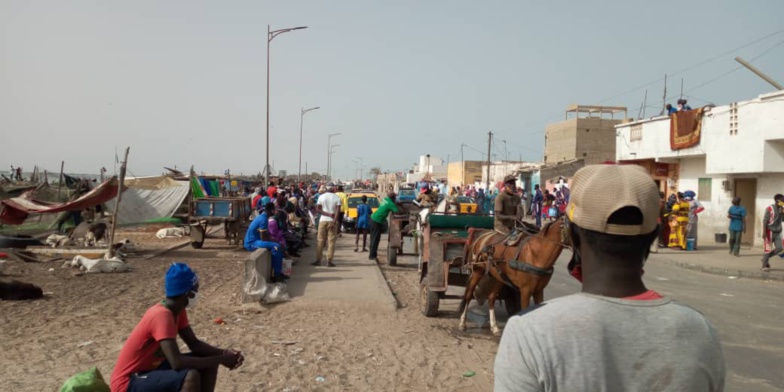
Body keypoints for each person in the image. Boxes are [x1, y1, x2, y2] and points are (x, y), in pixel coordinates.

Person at [494, 164, 725, 391]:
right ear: (654, 235)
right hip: (503, 227)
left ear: (572, 235)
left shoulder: (528, 333)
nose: (514, 186)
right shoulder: (701, 333)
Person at [110, 263, 244, 392]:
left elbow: (195, 344)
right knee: (190, 377)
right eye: (195, 290)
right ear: (187, 294)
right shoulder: (161, 315)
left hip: (152, 368)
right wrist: (221, 359)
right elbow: (177, 362)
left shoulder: (178, 311)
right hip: (128, 381)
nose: (197, 293)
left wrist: (225, 353)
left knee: (208, 362)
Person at [244, 206, 288, 282]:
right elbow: (263, 238)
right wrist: (275, 242)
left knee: (277, 244)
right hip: (252, 242)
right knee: (276, 247)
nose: (275, 212)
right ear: (271, 210)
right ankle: (277, 274)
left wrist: (274, 240)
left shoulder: (262, 217)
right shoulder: (263, 219)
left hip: (256, 239)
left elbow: (266, 235)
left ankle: (278, 272)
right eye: (274, 210)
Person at [369, 191, 404, 262]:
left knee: (373, 238)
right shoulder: (390, 203)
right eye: (395, 197)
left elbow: (391, 204)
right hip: (376, 221)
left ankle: (372, 254)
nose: (395, 199)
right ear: (393, 198)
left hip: (373, 219)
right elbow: (397, 211)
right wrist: (401, 208)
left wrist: (396, 203)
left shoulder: (385, 199)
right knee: (375, 239)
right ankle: (372, 256)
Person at [313, 183, 341, 267]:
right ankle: (329, 261)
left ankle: (318, 260)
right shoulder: (337, 198)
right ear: (334, 189)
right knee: (331, 242)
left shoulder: (322, 196)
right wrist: (334, 221)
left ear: (326, 188)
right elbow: (337, 211)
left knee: (320, 241)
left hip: (323, 220)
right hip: (332, 221)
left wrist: (327, 214)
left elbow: (318, 209)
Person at [761, 194, 784, 271]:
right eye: (782, 201)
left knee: (779, 248)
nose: (783, 203)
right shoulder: (769, 209)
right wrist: (764, 232)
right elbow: (765, 221)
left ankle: (765, 258)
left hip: (777, 231)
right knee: (768, 249)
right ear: (777, 201)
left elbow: (782, 220)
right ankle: (764, 266)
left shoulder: (781, 209)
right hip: (769, 231)